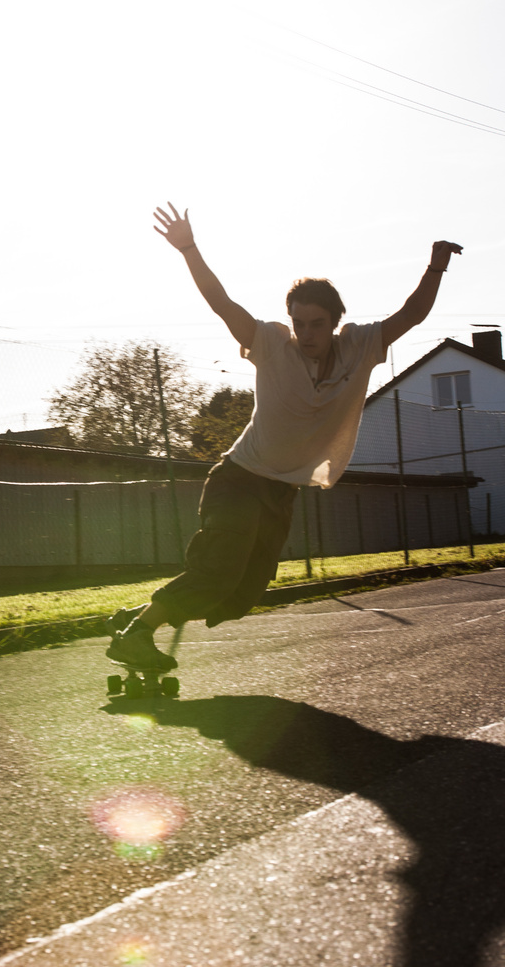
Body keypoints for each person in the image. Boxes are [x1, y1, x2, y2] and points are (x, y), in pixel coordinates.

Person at [106, 202, 463, 671]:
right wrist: (189, 249)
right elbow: (223, 304)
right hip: (239, 479)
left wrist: (436, 266)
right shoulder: (272, 344)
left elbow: (412, 314)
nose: (307, 333)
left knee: (242, 592)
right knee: (217, 572)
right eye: (299, 322)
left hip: (280, 490)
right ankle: (137, 636)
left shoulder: (360, 346)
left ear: (335, 321)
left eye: (317, 324)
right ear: (289, 319)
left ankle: (135, 618)